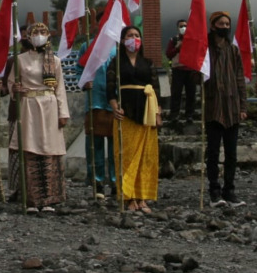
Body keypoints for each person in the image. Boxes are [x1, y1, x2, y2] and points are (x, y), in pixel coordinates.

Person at [3, 22, 69, 213]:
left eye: (43, 32)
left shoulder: (54, 61)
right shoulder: (20, 59)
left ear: (48, 36)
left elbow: (60, 88)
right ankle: (31, 199)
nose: (39, 35)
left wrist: (63, 112)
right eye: (35, 32)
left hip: (49, 106)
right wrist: (14, 89)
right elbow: (10, 84)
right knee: (30, 149)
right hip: (28, 106)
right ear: (28, 36)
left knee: (48, 150)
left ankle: (48, 199)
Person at [106, 26, 161, 213]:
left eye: (137, 35)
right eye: (130, 36)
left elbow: (156, 87)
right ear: (122, 40)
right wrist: (115, 107)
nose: (134, 38)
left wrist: (158, 112)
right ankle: (129, 197)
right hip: (126, 111)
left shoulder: (148, 62)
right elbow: (110, 87)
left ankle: (142, 197)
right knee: (126, 155)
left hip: (146, 111)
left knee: (146, 156)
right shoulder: (116, 63)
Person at [204, 11, 248, 207]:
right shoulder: (205, 49)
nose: (224, 26)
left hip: (232, 107)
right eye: (221, 23)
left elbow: (240, 78)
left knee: (231, 153)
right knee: (213, 152)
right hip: (213, 107)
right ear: (213, 26)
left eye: (227, 23)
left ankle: (229, 190)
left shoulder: (234, 50)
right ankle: (214, 190)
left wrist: (243, 105)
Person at [76, 12, 117, 200]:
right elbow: (78, 69)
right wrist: (84, 82)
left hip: (116, 103)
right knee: (95, 145)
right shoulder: (87, 45)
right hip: (95, 102)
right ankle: (97, 181)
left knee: (116, 146)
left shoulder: (118, 46)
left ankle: (117, 181)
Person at [165, 19, 198, 125]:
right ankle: (174, 115)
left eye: (185, 26)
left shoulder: (193, 40)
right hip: (177, 70)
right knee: (176, 94)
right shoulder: (173, 40)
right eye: (181, 26)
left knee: (191, 94)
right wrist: (177, 48)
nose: (183, 28)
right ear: (177, 28)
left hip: (191, 70)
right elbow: (168, 54)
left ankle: (190, 115)